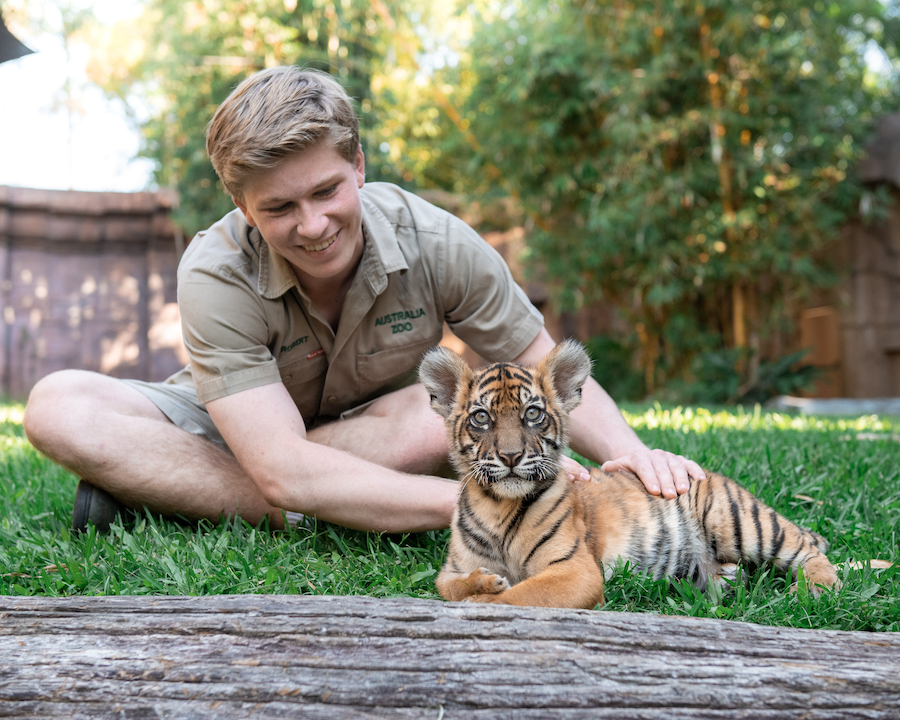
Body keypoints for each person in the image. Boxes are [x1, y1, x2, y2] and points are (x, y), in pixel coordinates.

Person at [22, 66, 704, 534]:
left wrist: (632, 453)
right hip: (235, 424)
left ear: (358, 165)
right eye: (279, 207)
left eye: (326, 192)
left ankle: (173, 494)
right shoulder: (216, 268)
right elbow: (281, 468)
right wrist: (473, 503)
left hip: (374, 426)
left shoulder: (437, 240)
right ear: (241, 205)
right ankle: (302, 493)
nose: (312, 226)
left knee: (432, 419)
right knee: (59, 405)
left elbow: (544, 366)